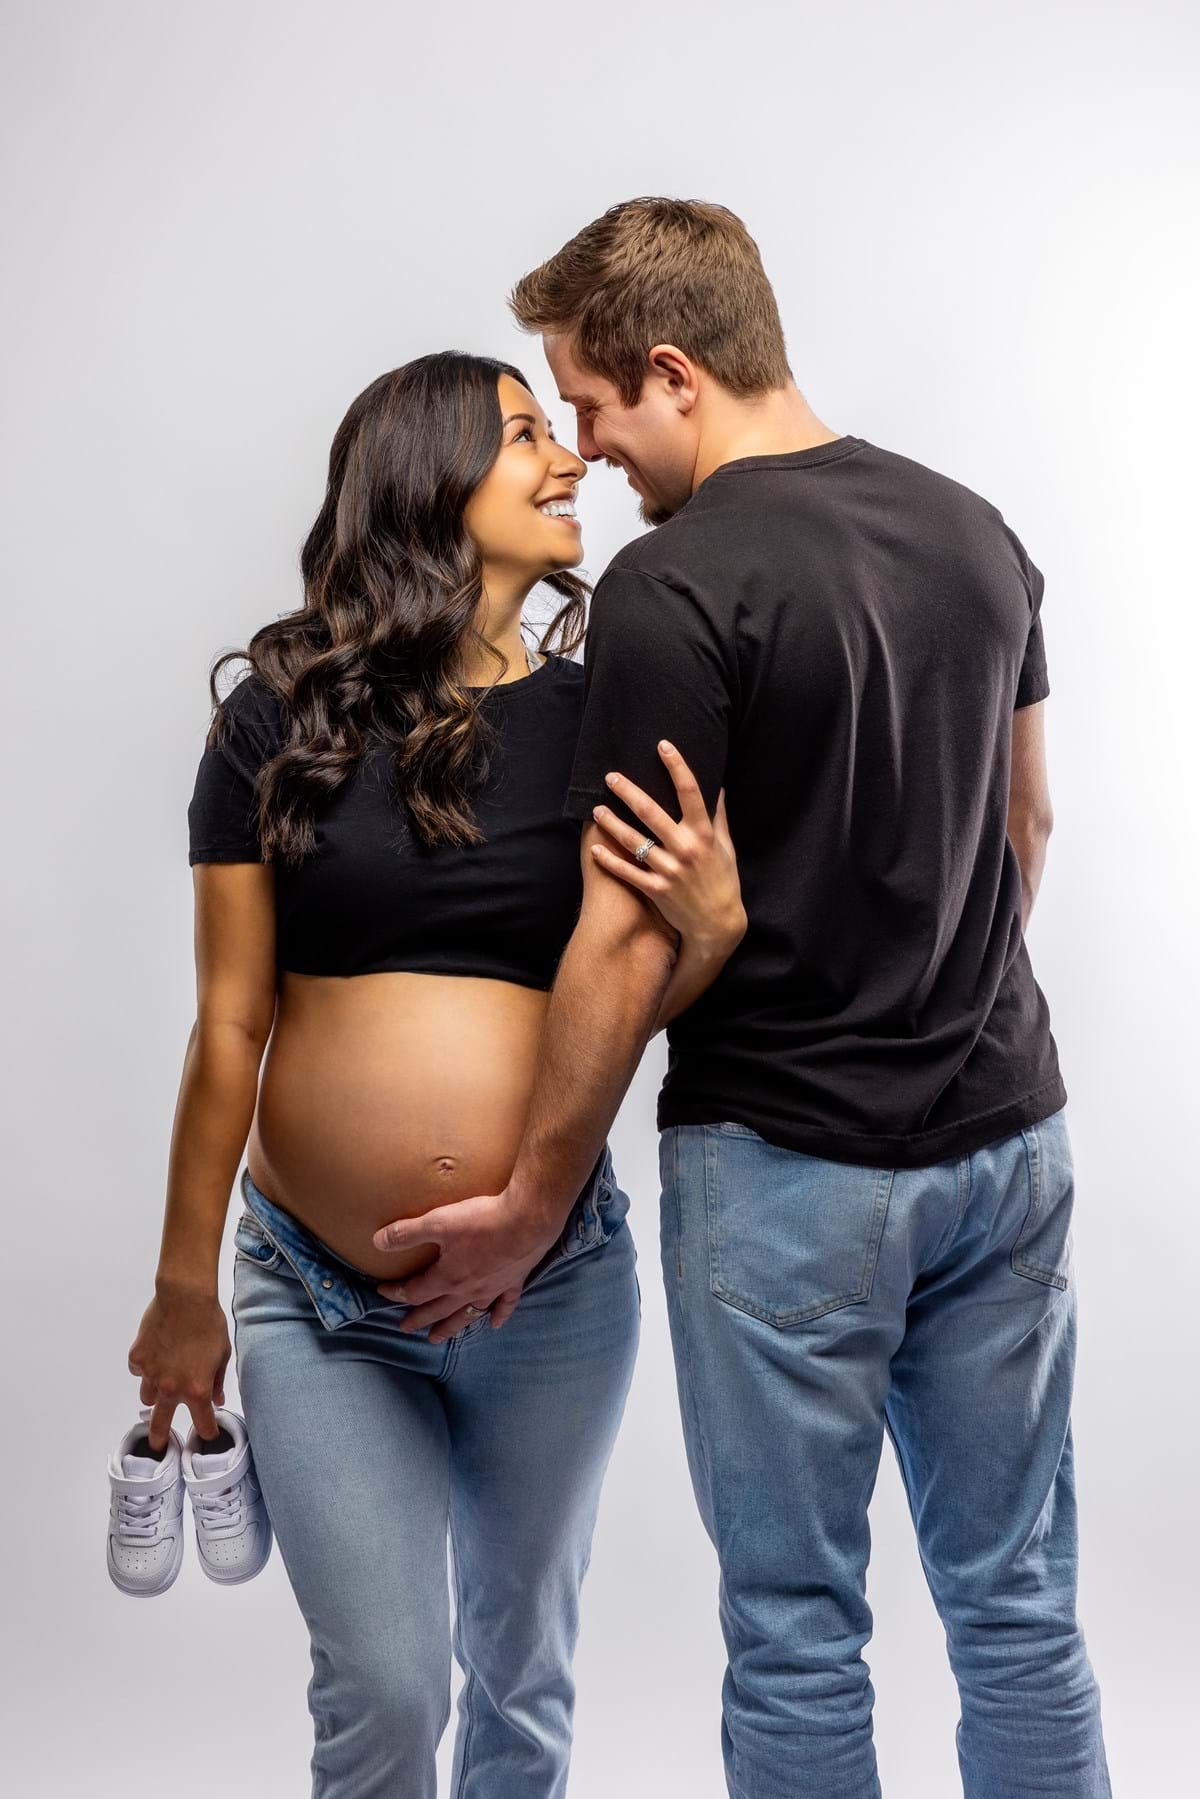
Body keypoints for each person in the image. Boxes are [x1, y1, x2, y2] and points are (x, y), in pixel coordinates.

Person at [369, 199, 1113, 1797]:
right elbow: (1029, 820)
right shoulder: (978, 531)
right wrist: (942, 990)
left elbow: (627, 935)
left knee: (795, 1634)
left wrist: (532, 1203)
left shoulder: (676, 584)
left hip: (788, 1171)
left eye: (589, 404)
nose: (586, 448)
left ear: (673, 372)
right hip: (1009, 1144)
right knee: (1021, 1608)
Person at [125, 350, 746, 1799]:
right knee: (389, 1692)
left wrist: (712, 934)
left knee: (523, 1676)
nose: (571, 459)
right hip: (320, 1296)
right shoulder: (278, 718)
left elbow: (629, 1001)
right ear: (431, 476)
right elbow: (229, 1026)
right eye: (527, 435)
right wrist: (181, 1287)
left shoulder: (602, 716)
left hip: (550, 1284)